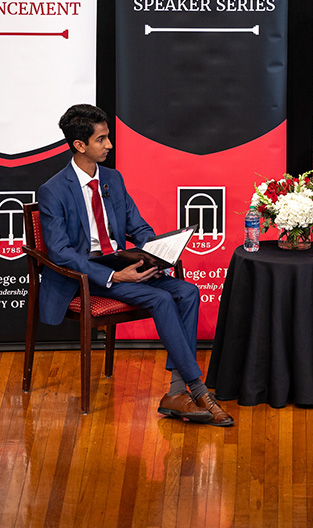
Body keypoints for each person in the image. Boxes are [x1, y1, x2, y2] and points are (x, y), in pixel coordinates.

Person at [37, 103, 234, 426]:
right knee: (160, 298)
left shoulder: (113, 179)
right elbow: (60, 252)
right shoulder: (53, 191)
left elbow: (138, 228)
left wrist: (156, 253)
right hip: (88, 275)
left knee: (187, 292)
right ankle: (198, 390)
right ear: (79, 145)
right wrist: (114, 274)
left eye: (108, 137)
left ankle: (174, 393)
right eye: (101, 139)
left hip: (125, 265)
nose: (109, 145)